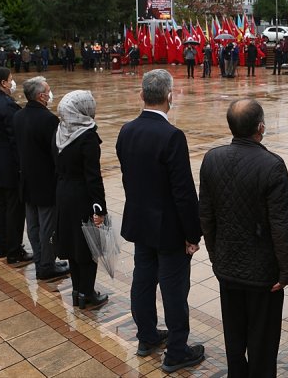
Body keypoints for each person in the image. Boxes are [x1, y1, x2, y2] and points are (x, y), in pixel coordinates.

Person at [199, 99, 288, 376]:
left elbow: (206, 217)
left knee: (234, 334)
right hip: (263, 272)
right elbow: (281, 226)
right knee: (263, 340)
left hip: (228, 267)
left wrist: (216, 257)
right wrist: (286, 271)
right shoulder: (272, 166)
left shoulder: (212, 158)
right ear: (261, 127)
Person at [116, 69, 204, 373]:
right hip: (168, 229)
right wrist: (193, 234)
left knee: (143, 280)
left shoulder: (126, 130)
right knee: (174, 289)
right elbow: (183, 192)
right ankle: (177, 351)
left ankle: (147, 337)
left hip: (141, 224)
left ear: (142, 96)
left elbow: (130, 178)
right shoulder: (171, 136)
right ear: (170, 96)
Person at [55, 90, 108, 309]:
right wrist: (99, 208)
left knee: (72, 244)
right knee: (88, 245)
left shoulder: (61, 131)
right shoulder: (87, 136)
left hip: (63, 192)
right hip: (82, 195)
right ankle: (88, 293)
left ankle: (77, 291)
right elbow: (93, 176)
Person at [14, 77, 68, 280]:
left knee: (34, 225)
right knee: (46, 226)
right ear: (41, 96)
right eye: (48, 90)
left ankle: (42, 260)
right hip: (45, 181)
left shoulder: (19, 115)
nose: (50, 93)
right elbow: (55, 153)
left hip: (27, 179)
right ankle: (46, 266)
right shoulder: (48, 120)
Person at [0, 67, 30, 264]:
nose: (12, 83)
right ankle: (14, 251)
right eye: (10, 80)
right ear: (2, 83)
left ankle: (2, 247)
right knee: (14, 211)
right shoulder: (7, 105)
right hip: (9, 165)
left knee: (0, 208)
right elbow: (15, 138)